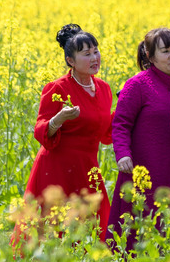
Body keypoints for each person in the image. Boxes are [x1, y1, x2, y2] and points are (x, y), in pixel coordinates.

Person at [18, 23, 113, 244]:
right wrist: (59, 119)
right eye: (86, 54)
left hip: (87, 169)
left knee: (93, 229)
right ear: (71, 61)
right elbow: (41, 130)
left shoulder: (104, 89)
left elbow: (105, 132)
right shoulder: (58, 88)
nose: (94, 58)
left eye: (96, 51)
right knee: (51, 229)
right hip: (57, 170)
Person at [107, 28, 170, 251]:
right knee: (138, 223)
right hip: (143, 168)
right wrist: (122, 154)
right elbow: (121, 123)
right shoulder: (137, 84)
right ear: (150, 56)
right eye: (165, 51)